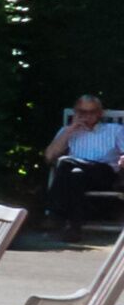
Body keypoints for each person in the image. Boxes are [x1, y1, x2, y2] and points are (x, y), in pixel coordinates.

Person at [40, 93, 124, 230]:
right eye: (83, 112)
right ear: (76, 112)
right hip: (78, 176)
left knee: (65, 162)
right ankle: (74, 227)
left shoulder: (115, 130)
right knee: (75, 173)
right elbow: (49, 157)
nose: (88, 115)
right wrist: (69, 131)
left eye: (93, 111)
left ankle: (54, 215)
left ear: (100, 113)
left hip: (104, 174)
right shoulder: (67, 131)